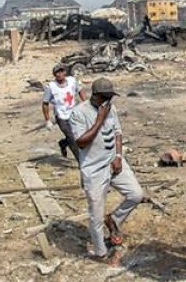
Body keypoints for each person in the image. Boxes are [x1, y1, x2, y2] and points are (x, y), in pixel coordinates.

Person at [68, 78, 143, 264]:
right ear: (96, 96)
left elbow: (117, 132)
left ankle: (115, 219)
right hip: (94, 168)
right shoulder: (78, 113)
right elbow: (81, 142)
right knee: (96, 213)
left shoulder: (111, 108)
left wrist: (118, 156)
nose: (109, 100)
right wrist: (100, 119)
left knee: (136, 194)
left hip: (114, 162)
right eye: (106, 97)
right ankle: (100, 252)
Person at [42, 64, 85, 162]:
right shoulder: (51, 87)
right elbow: (45, 103)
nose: (60, 74)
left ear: (65, 72)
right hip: (61, 116)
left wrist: (85, 103)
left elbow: (80, 90)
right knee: (72, 138)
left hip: (74, 113)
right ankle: (81, 161)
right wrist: (47, 120)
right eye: (57, 72)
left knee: (78, 135)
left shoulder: (72, 81)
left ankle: (63, 143)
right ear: (54, 74)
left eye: (61, 71)